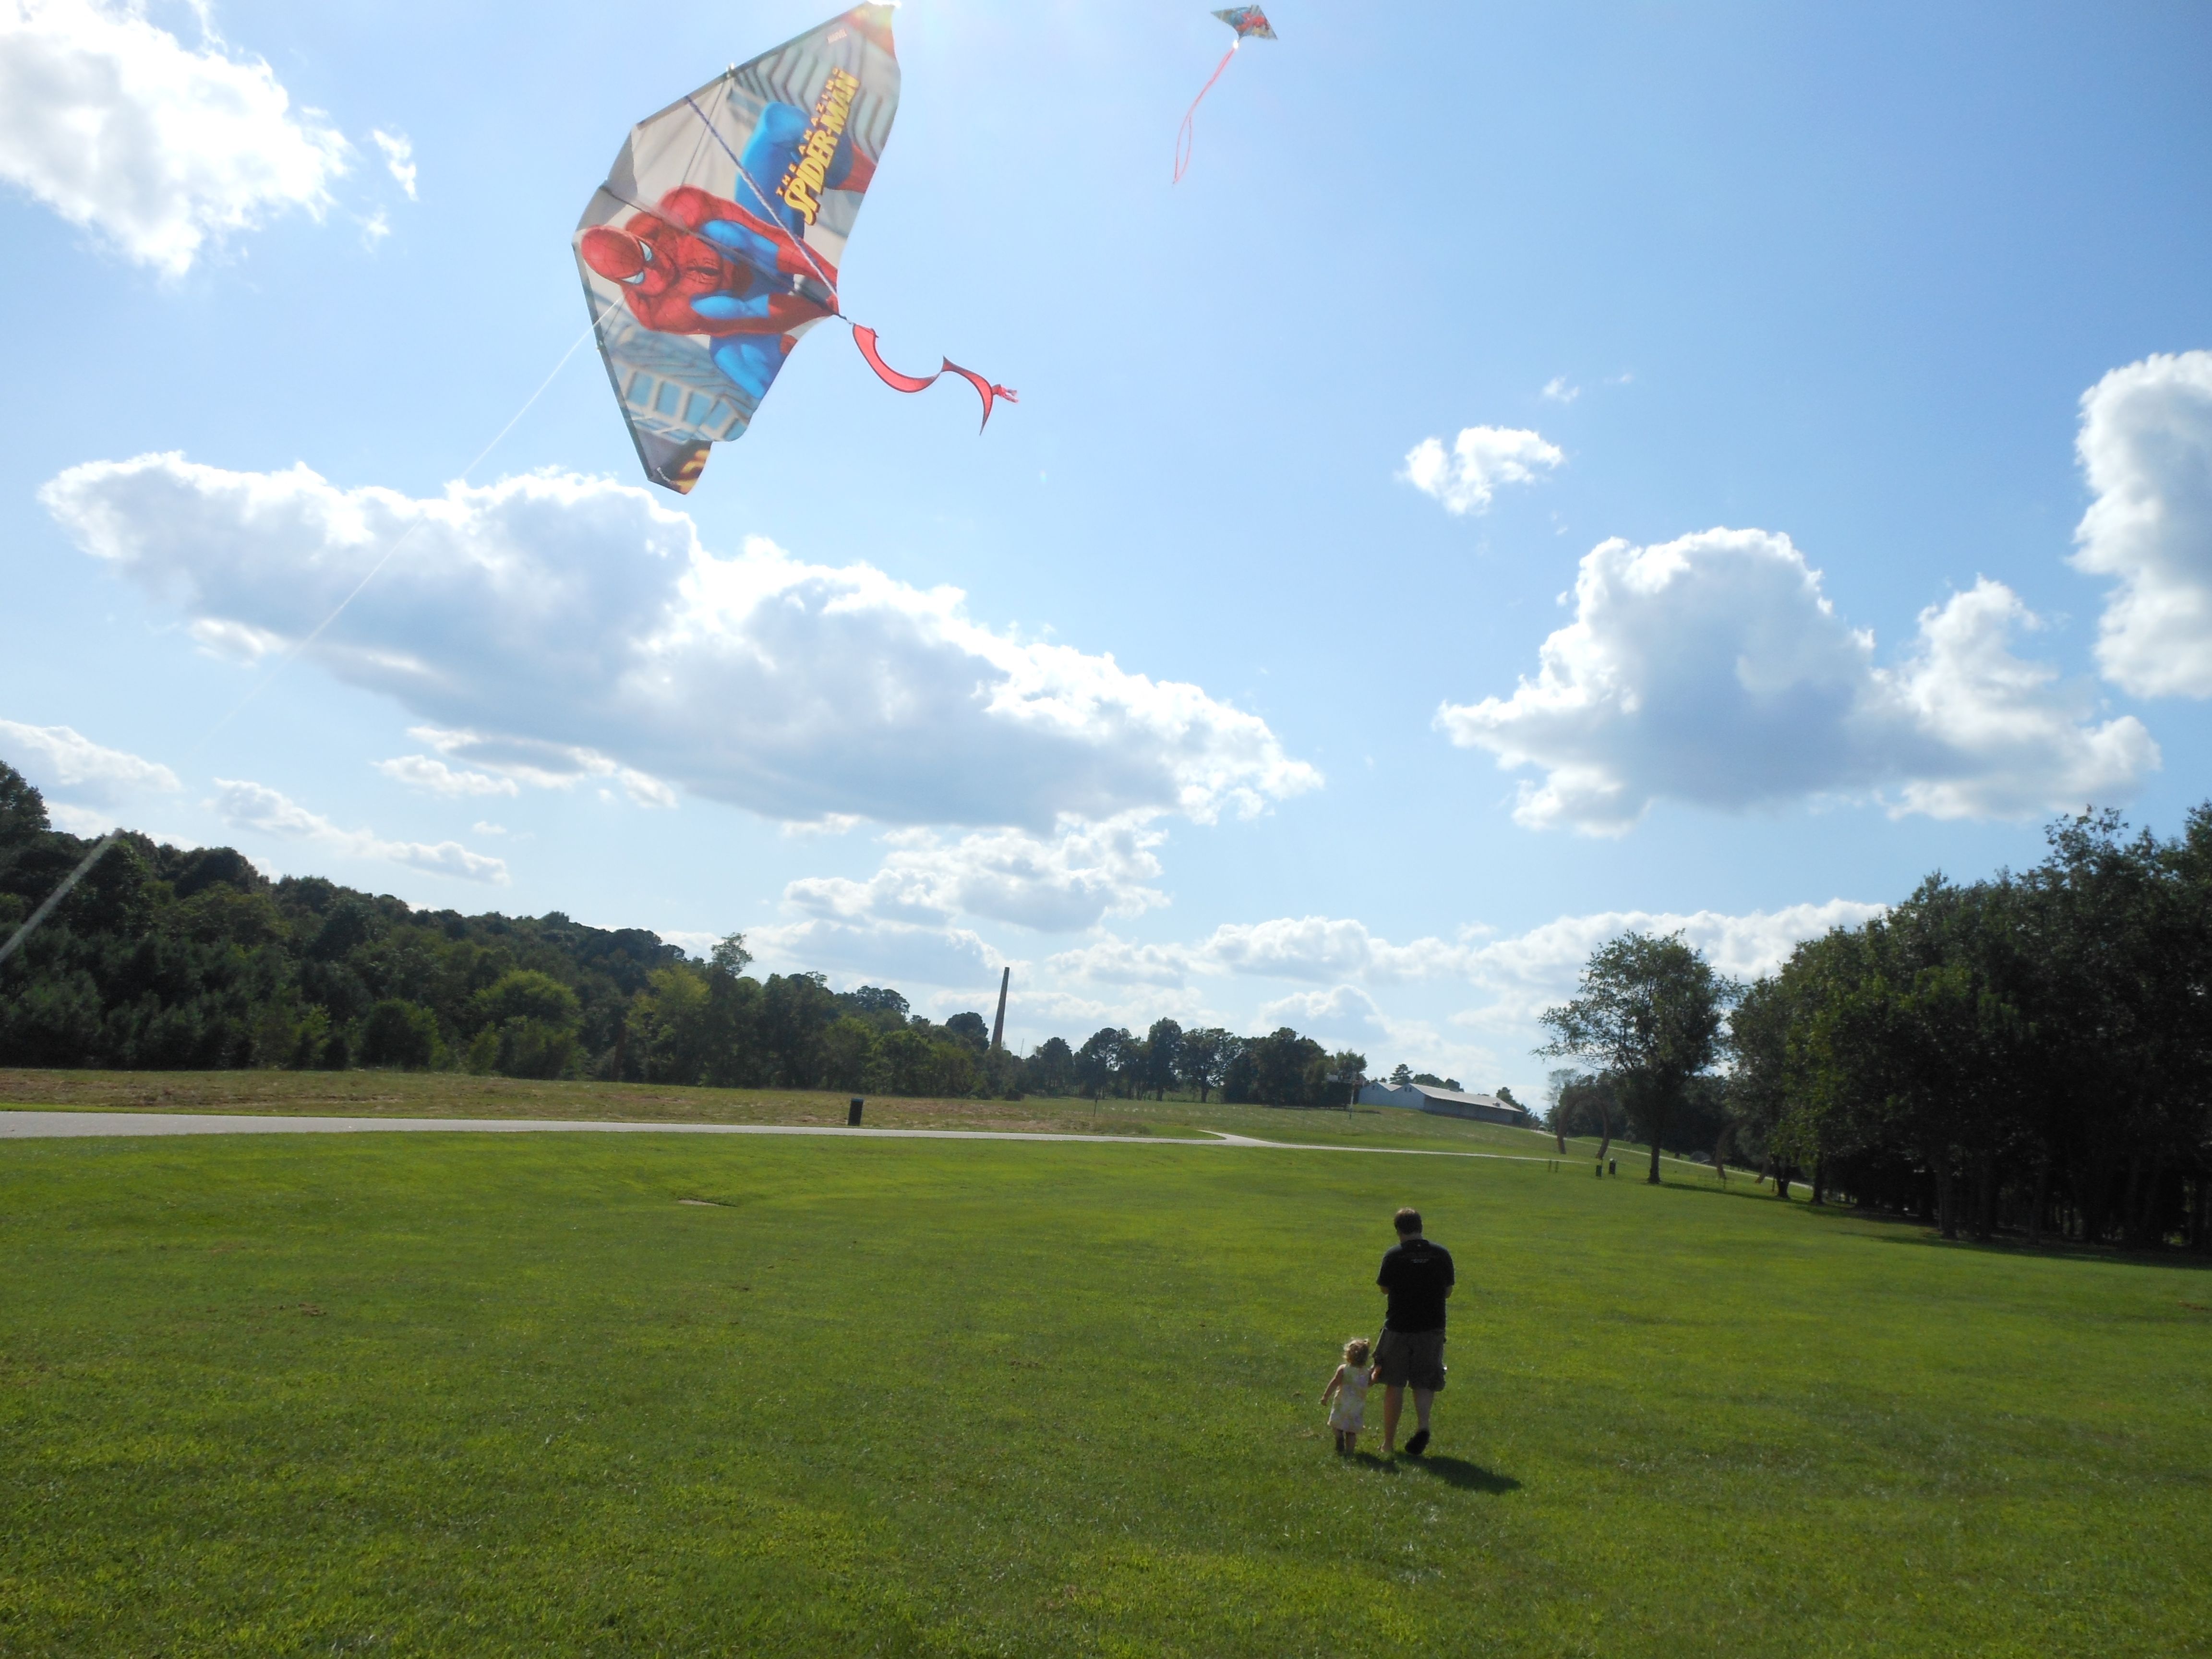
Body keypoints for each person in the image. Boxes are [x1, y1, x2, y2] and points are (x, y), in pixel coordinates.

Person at [1374, 1206, 1454, 1456]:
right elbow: (1448, 1291)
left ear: (1398, 1230)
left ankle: (1388, 1443)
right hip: (1432, 1326)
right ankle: (1423, 1426)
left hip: (1399, 1326)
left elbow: (1384, 1289)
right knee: (1424, 1381)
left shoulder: (1394, 1255)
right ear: (1421, 1227)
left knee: (1394, 1383)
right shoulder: (1441, 1254)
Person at [1320, 1336, 1373, 1454]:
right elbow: (1369, 1384)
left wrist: (1325, 1396)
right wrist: (1376, 1374)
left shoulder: (1344, 1370)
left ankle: (1339, 1438)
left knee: (1336, 1425)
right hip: (1356, 1407)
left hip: (1342, 1404)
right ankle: (1350, 1452)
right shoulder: (1366, 1373)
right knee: (1351, 1432)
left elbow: (1335, 1383)